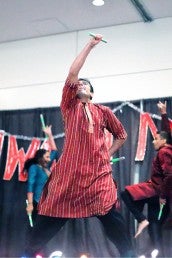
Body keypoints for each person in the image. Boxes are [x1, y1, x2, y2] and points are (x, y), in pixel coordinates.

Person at [25, 34, 136, 258]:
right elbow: (73, 74)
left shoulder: (103, 112)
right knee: (48, 220)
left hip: (97, 176)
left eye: (86, 84)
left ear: (92, 93)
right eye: (79, 84)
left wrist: (106, 154)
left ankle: (129, 255)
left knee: (112, 217)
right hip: (70, 176)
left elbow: (121, 135)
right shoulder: (69, 106)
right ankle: (26, 253)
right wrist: (90, 46)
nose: (81, 84)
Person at [121, 103, 172, 256]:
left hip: (156, 192)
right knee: (155, 227)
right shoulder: (168, 147)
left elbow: (170, 175)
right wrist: (163, 113)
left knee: (125, 194)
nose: (153, 141)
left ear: (163, 142)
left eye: (156, 139)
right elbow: (167, 133)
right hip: (158, 195)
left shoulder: (165, 151)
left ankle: (142, 219)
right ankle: (159, 254)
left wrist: (163, 195)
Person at [24, 125, 59, 224]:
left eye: (49, 157)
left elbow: (55, 152)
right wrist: (30, 204)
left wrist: (49, 134)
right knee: (38, 228)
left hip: (48, 203)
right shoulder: (34, 168)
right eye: (47, 157)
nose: (49, 159)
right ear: (40, 158)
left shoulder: (46, 167)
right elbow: (30, 186)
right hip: (37, 203)